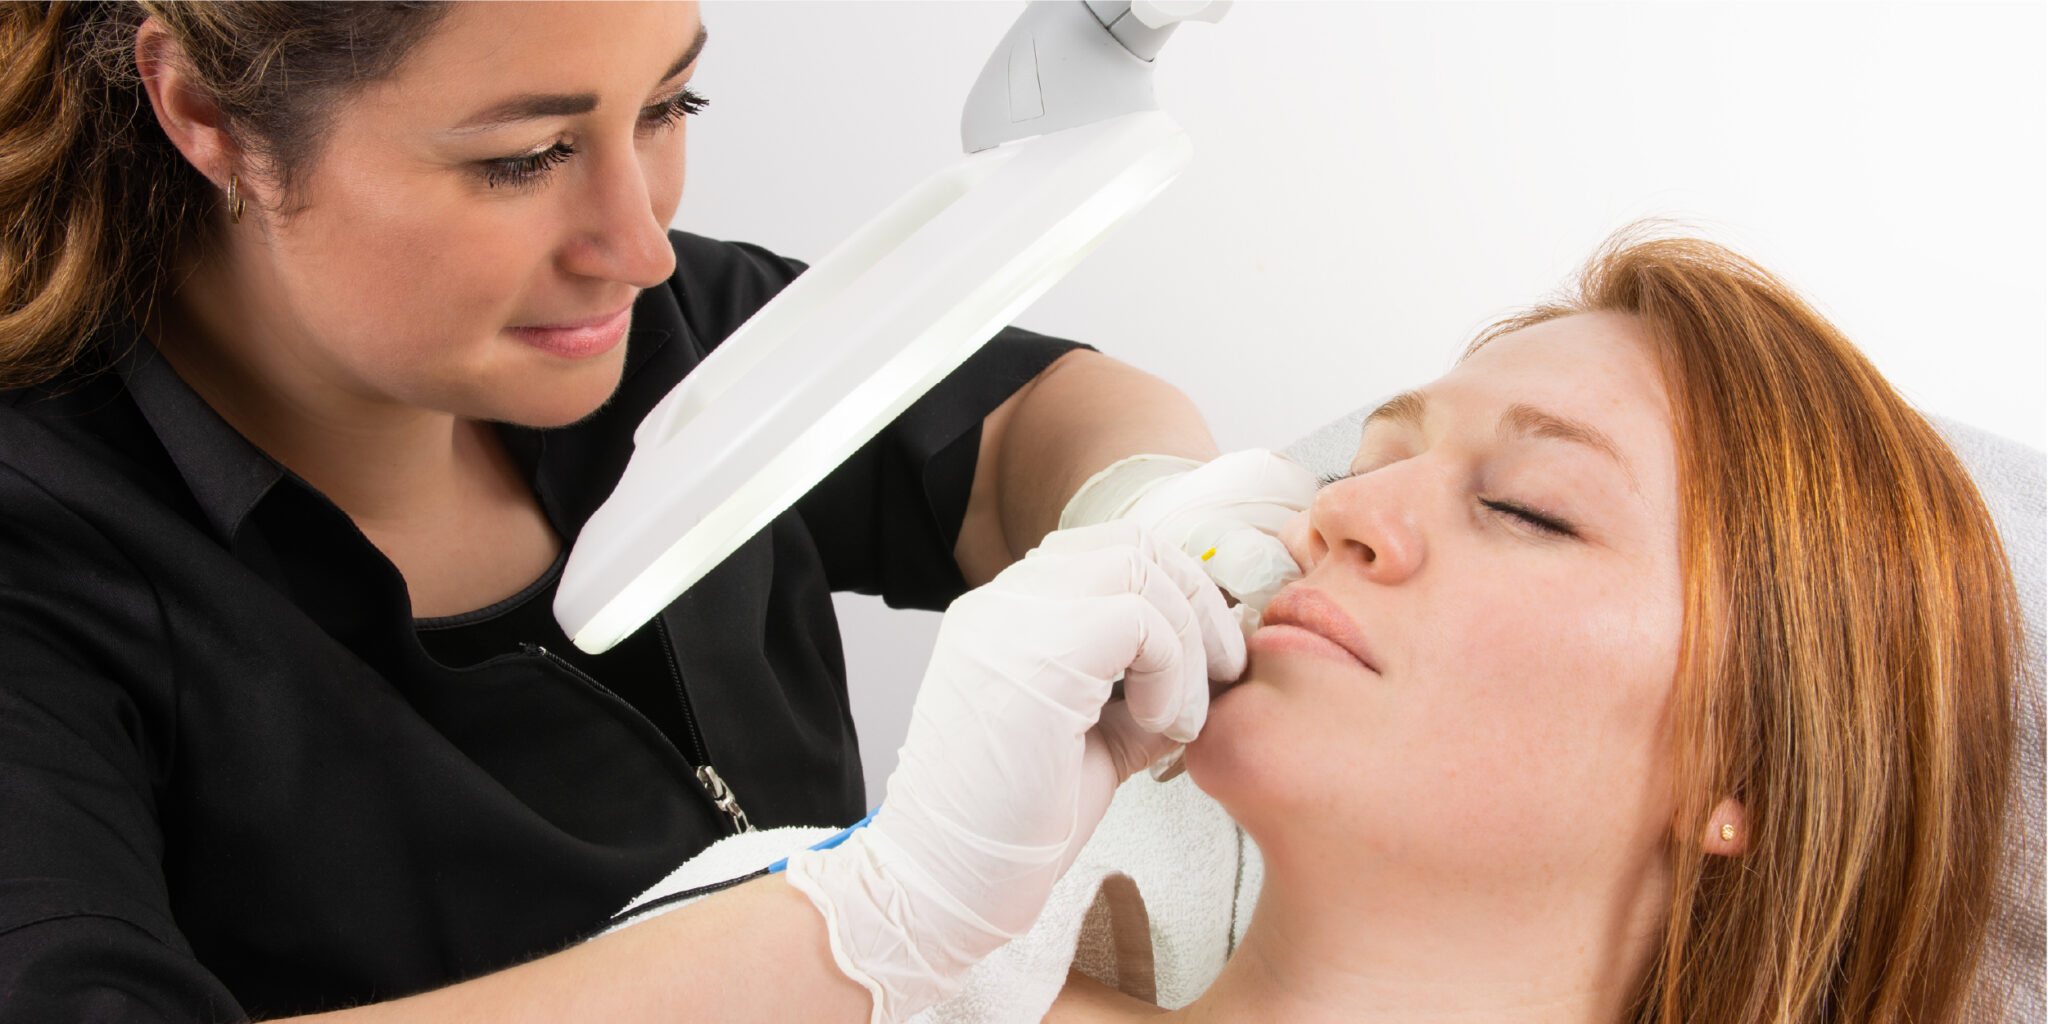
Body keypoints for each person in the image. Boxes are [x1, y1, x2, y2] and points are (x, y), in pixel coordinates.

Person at [0, 3, 1310, 1022]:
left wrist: (1152, 511)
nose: (641, 247)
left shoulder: (656, 338)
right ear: (203, 109)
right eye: (523, 158)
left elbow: (1025, 418)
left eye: (670, 104)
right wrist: (871, 925)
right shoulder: (41, 562)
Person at [1029, 232, 2021, 1023]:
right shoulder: (941, 955)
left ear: (1744, 764)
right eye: (1358, 468)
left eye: (1525, 508)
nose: (1333, 513)